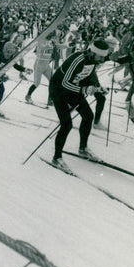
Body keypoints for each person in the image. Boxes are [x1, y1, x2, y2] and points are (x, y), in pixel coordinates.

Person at [48, 39, 111, 174]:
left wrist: (98, 88)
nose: (102, 59)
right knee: (66, 124)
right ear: (93, 53)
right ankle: (57, 157)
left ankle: (83, 149)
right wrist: (84, 90)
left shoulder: (93, 61)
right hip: (58, 90)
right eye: (100, 56)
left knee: (88, 116)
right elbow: (65, 83)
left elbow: (90, 76)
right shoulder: (77, 59)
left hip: (73, 90)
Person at [24, 35, 56, 108]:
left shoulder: (51, 41)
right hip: (39, 65)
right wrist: (50, 44)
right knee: (37, 83)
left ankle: (50, 99)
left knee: (53, 81)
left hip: (46, 65)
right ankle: (28, 96)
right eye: (50, 33)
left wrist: (68, 45)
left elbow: (59, 46)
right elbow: (42, 47)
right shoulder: (41, 40)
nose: (51, 35)